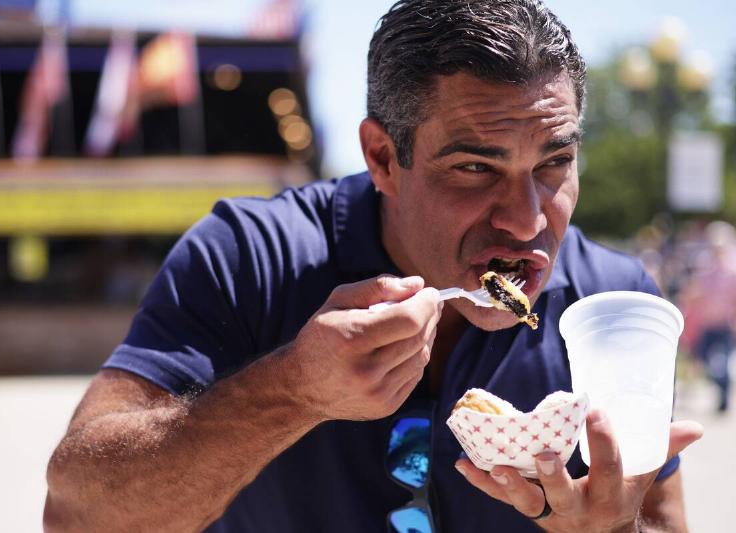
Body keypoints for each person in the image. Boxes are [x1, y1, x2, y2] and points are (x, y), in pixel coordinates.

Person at [43, 1, 703, 531]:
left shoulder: (611, 306)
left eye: (554, 164)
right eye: (476, 168)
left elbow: (660, 521)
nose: (527, 220)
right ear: (383, 158)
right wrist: (292, 391)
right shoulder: (250, 256)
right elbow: (77, 514)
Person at [679, 221, 736, 413]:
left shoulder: (732, 271)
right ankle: (722, 394)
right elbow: (696, 293)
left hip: (726, 326)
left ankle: (724, 400)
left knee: (721, 364)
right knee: (705, 363)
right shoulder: (705, 268)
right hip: (707, 324)